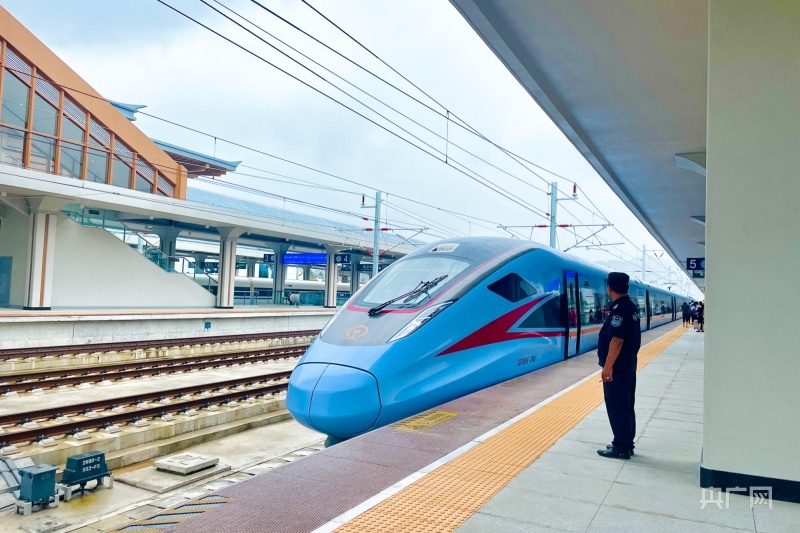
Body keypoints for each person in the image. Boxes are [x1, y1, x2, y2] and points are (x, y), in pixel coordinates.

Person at [596, 272, 641, 460]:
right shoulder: (631, 307)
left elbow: (617, 341)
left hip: (618, 368)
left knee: (617, 406)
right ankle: (626, 443)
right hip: (627, 365)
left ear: (610, 288)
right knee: (626, 404)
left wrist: (607, 367)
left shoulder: (619, 310)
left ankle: (621, 446)